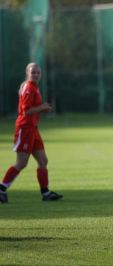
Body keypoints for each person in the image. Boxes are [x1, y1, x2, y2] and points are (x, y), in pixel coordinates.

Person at [0, 63, 63, 204]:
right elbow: (26, 110)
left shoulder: (33, 86)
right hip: (25, 128)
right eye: (33, 72)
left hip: (33, 129)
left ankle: (45, 193)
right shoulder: (29, 87)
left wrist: (42, 108)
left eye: (38, 72)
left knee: (43, 161)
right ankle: (1, 189)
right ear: (27, 73)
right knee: (21, 163)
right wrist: (42, 107)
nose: (36, 74)